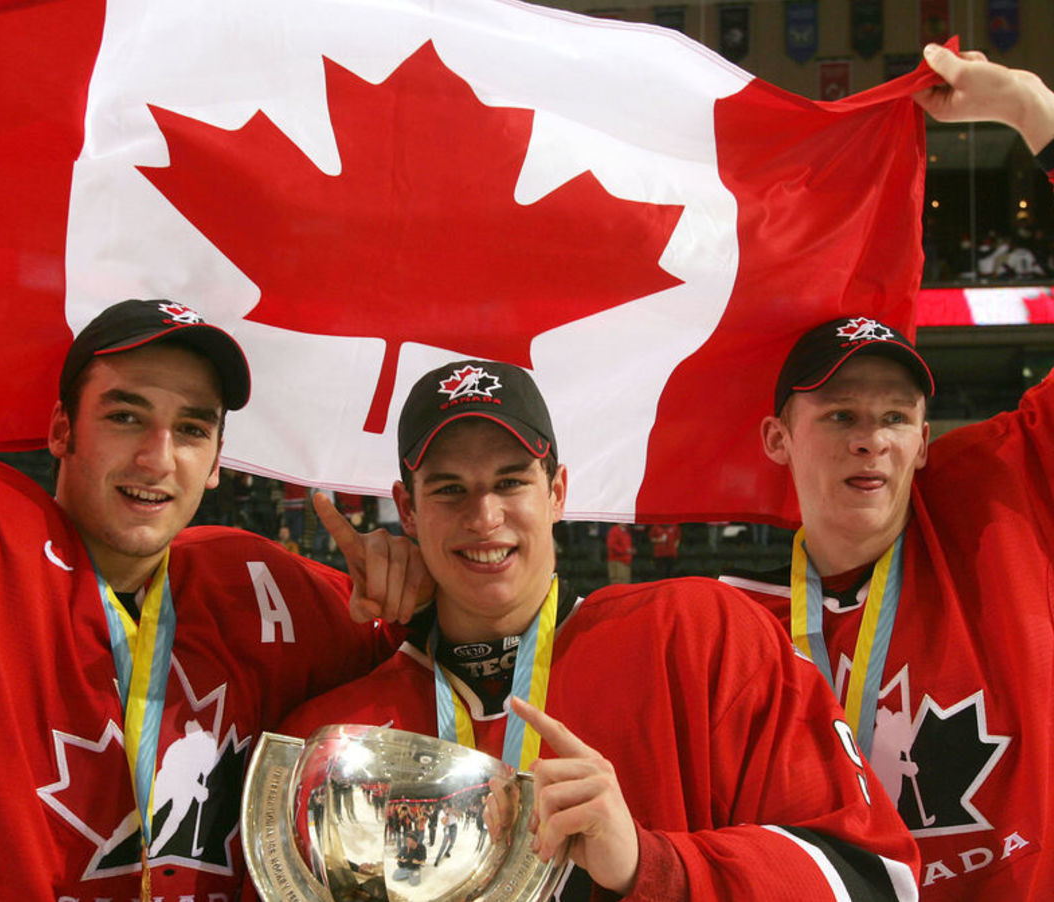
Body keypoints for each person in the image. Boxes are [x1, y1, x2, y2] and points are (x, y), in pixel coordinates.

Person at [0, 297, 429, 900]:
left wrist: (416, 581)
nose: (157, 458)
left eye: (192, 430)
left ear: (218, 457)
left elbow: (442, 659)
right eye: (125, 417)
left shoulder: (258, 588)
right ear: (62, 430)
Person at [275, 358, 919, 901]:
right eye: (449, 491)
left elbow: (873, 878)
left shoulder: (697, 636)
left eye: (511, 481)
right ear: (407, 509)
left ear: (557, 491)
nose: (485, 515)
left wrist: (649, 863)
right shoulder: (337, 742)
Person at [720, 45, 1054, 901]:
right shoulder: (738, 632)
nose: (872, 439)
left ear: (925, 439)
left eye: (896, 417)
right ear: (776, 439)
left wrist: (1030, 109)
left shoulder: (999, 505)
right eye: (839, 416)